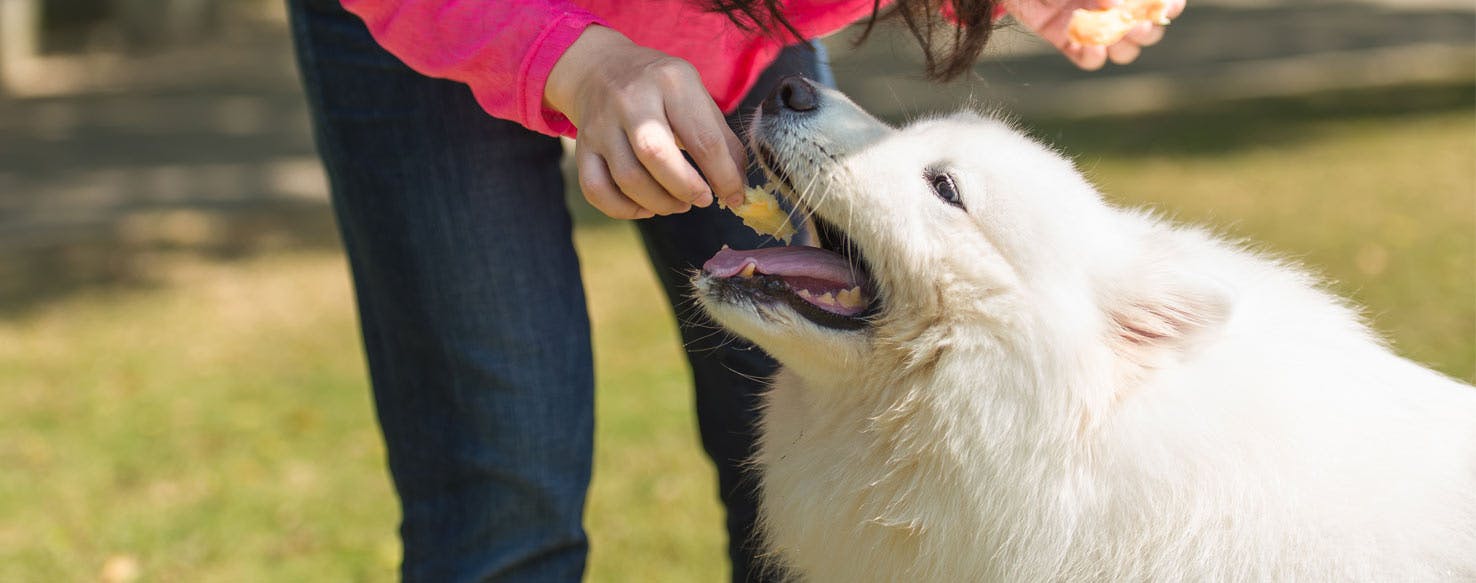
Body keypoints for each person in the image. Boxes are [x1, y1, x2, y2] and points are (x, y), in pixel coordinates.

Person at [285, 0, 1180, 581]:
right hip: (424, 26)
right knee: (504, 484)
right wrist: (586, 65)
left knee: (794, 455)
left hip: (720, 27)